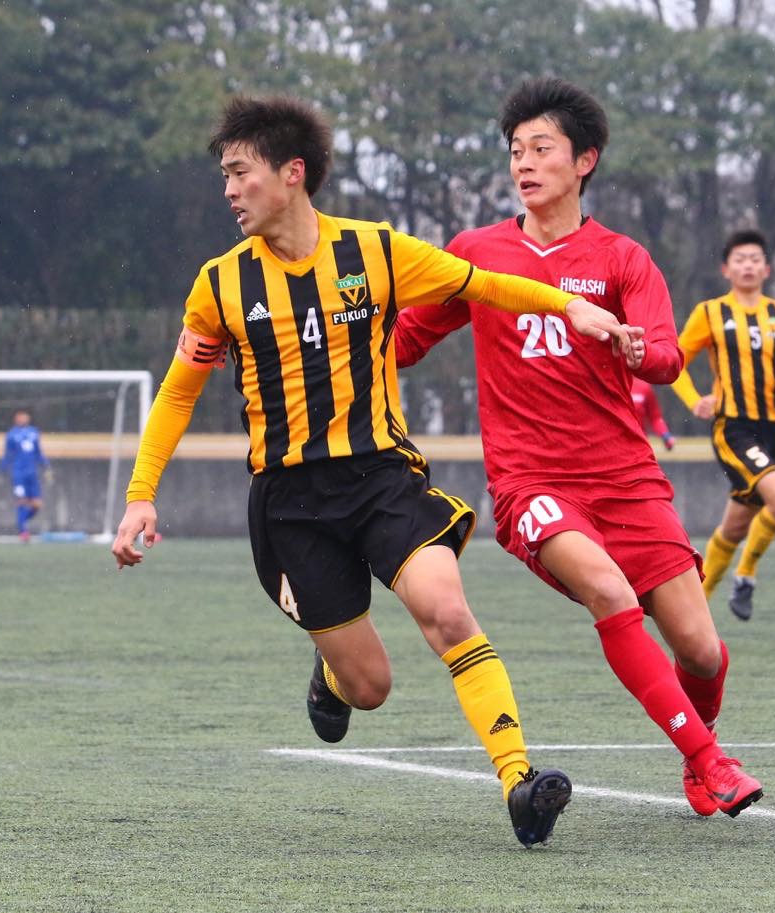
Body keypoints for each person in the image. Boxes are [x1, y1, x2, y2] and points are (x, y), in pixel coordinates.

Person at [111, 94, 639, 848]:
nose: (228, 190)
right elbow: (177, 393)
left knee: (448, 612)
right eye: (224, 175)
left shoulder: (377, 251)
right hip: (291, 507)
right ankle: (332, 674)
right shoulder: (219, 285)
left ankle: (519, 784)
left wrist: (569, 307)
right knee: (371, 687)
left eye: (239, 171)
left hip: (382, 480)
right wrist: (140, 496)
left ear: (292, 173)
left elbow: (481, 282)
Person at [395, 76, 764, 820]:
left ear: (584, 160)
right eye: (516, 151)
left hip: (627, 479)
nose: (524, 164)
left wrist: (640, 350)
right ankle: (709, 760)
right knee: (609, 591)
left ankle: (699, 749)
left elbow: (668, 356)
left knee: (702, 651)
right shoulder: (477, 253)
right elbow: (403, 341)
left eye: (542, 149)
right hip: (531, 482)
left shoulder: (623, 258)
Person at [672, 229, 775, 621]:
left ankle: (692, 614)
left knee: (734, 528)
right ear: (726, 269)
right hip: (733, 427)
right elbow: (675, 360)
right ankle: (746, 576)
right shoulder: (710, 312)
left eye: (754, 259)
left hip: (773, 427)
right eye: (740, 259)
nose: (748, 266)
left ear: (767, 269)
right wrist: (694, 400)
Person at [1, 408, 51, 542]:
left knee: (37, 504)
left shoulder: (34, 432)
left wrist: (46, 465)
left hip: (32, 473)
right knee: (22, 501)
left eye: (24, 416)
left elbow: (38, 452)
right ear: (16, 418)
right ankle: (23, 531)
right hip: (18, 474)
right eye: (20, 416)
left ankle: (21, 521)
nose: (22, 418)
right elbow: (8, 454)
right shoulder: (11, 434)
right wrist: (2, 469)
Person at [630, 377, 675, 451]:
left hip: (639, 444)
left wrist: (665, 435)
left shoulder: (644, 387)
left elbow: (655, 417)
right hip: (616, 444)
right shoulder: (614, 385)